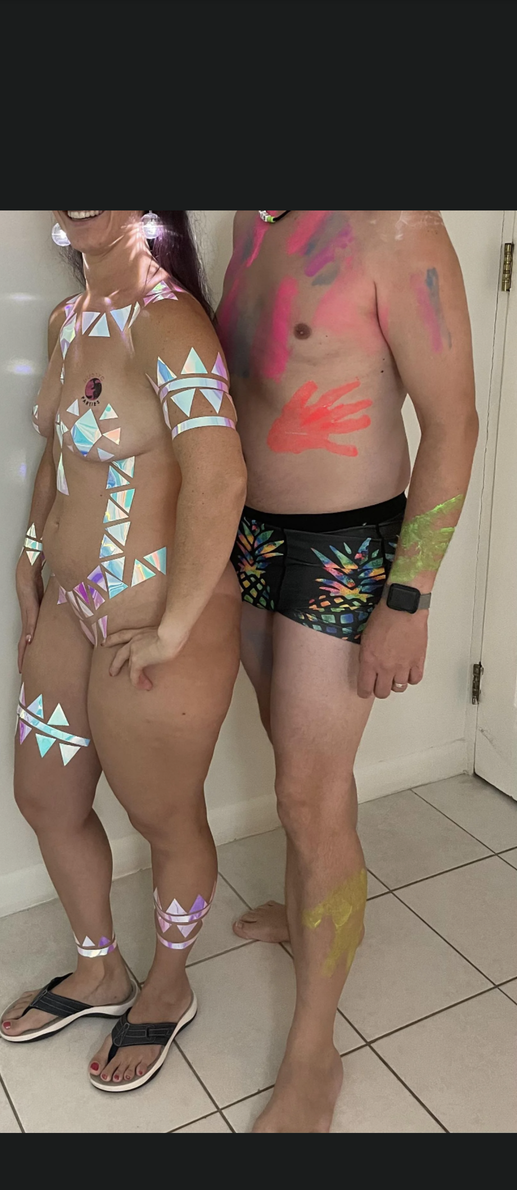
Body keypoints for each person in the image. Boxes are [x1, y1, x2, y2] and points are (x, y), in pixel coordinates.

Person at [217, 210, 478, 1132]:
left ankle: (314, 1054)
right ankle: (307, 911)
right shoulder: (249, 218)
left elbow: (454, 422)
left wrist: (410, 598)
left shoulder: (397, 224)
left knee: (307, 791)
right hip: (252, 539)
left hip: (347, 550)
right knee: (302, 779)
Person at [0, 210, 246, 1092]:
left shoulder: (169, 322)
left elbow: (221, 475)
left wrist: (174, 627)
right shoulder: (66, 322)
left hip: (156, 618)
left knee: (164, 819)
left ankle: (169, 985)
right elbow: (56, 457)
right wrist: (30, 556)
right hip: (69, 608)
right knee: (45, 797)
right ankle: (100, 969)